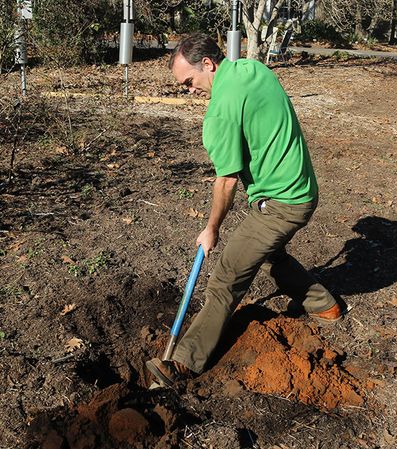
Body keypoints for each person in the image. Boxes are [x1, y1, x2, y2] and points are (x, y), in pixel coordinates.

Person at [146, 34, 342, 387]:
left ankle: (183, 361)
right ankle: (323, 304)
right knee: (267, 253)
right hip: (302, 190)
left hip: (282, 203)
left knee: (225, 278)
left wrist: (212, 228)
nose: (188, 90)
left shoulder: (221, 110)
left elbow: (225, 182)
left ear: (208, 64)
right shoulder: (251, 69)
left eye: (188, 82)